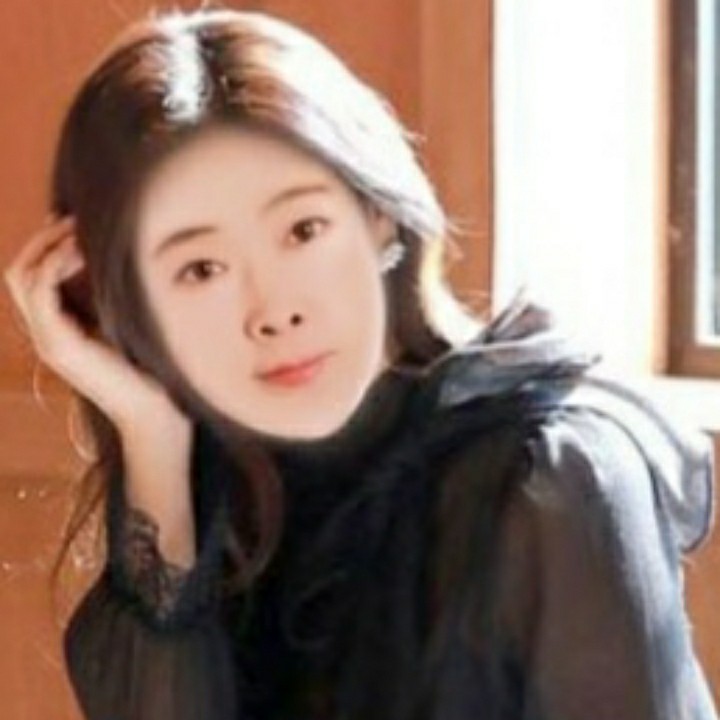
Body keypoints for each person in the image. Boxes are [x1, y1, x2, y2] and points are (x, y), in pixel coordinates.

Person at [3, 7, 718, 720]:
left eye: (303, 230)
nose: (274, 310)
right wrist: (150, 435)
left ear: (378, 217)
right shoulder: (210, 482)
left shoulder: (549, 479)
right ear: (135, 307)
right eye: (202, 269)